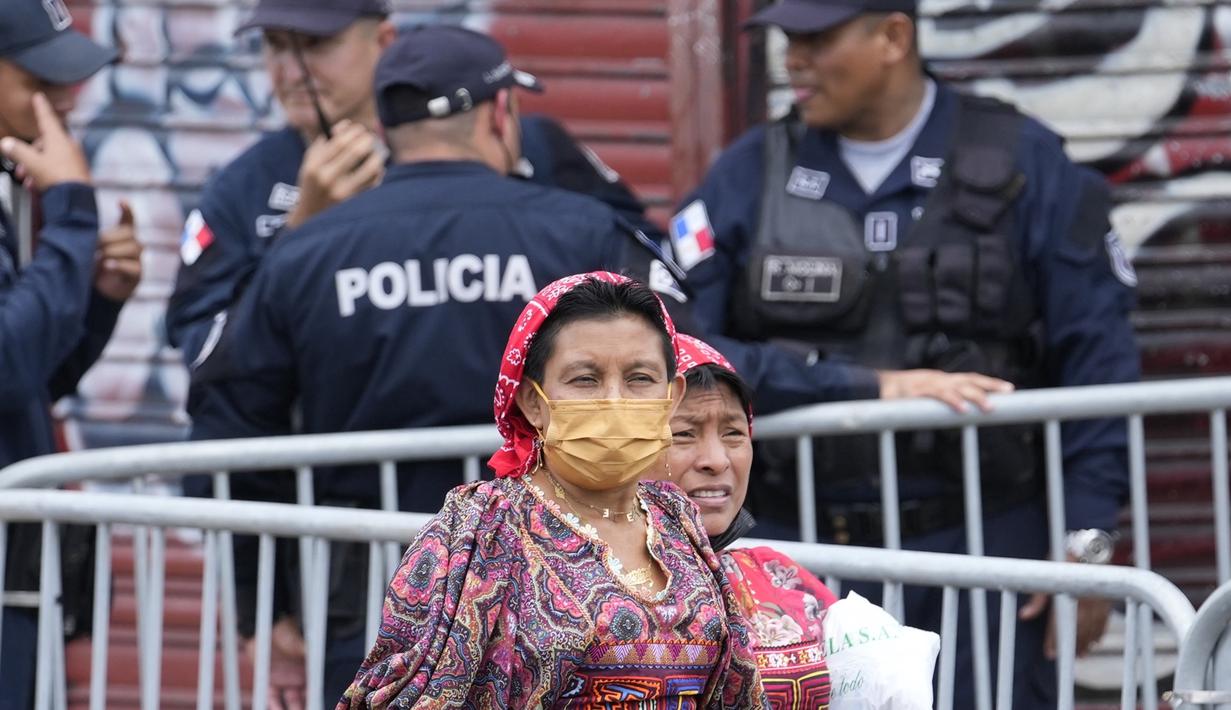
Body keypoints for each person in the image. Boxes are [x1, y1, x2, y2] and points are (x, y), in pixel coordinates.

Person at [188, 26, 686, 709]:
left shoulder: (304, 251)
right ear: (498, 114)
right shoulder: (578, 232)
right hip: (568, 571)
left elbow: (230, 424)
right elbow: (691, 359)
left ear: (386, 130)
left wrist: (259, 603)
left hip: (365, 584)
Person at [672, 0, 1141, 706]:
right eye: (786, 39)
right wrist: (859, 386)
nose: (792, 59)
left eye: (815, 38)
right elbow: (685, 347)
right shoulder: (747, 174)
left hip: (985, 541)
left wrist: (1086, 540)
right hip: (795, 545)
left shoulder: (1021, 159)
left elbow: (1098, 354)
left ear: (893, 35)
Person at [340, 272, 765, 709]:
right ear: (533, 401)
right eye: (586, 379)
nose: (615, 401)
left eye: (640, 378)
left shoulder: (677, 519)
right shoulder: (476, 533)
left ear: (671, 397)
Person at [165, 0, 661, 368]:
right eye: (275, 46)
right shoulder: (243, 185)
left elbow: (650, 274)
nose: (292, 72)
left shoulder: (520, 142)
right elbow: (200, 349)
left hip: (525, 475)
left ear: (383, 41)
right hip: (339, 480)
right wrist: (298, 236)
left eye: (317, 46)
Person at [0, 1, 142, 706]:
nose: (63, 96)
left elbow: (31, 384)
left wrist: (99, 301)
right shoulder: (47, 197)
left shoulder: (11, 185)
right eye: (37, 75)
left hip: (18, 569)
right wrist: (74, 213)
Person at [668, 334, 837, 709]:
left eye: (733, 434)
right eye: (683, 434)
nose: (716, 460)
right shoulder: (575, 588)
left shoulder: (783, 578)